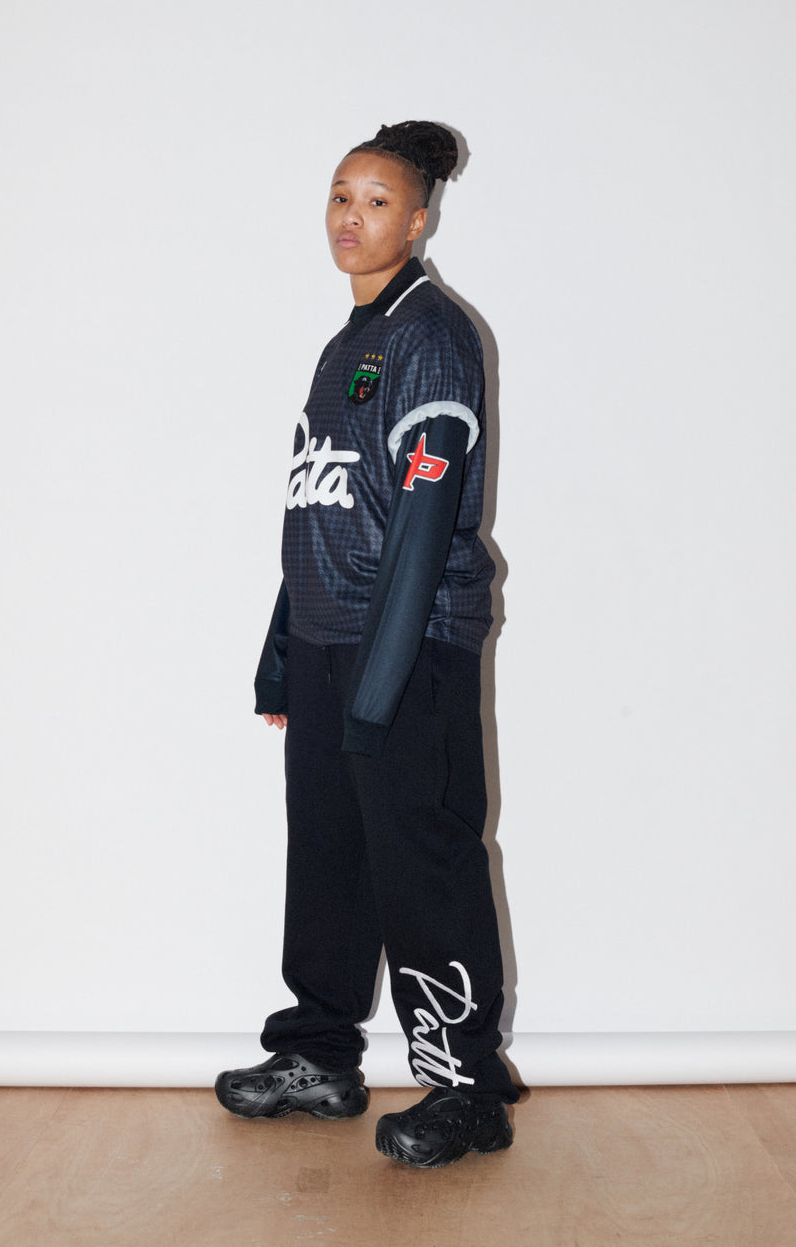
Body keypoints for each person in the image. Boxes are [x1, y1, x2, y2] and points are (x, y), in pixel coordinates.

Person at [215, 121, 519, 1169]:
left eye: (378, 200)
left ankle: (468, 1088)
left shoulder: (432, 331)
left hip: (406, 646)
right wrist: (284, 646)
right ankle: (318, 1053)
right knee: (329, 854)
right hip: (327, 639)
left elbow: (426, 521)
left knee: (422, 862)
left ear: (420, 218)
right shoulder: (346, 342)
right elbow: (323, 504)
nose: (352, 216)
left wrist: (383, 679)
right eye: (341, 195)